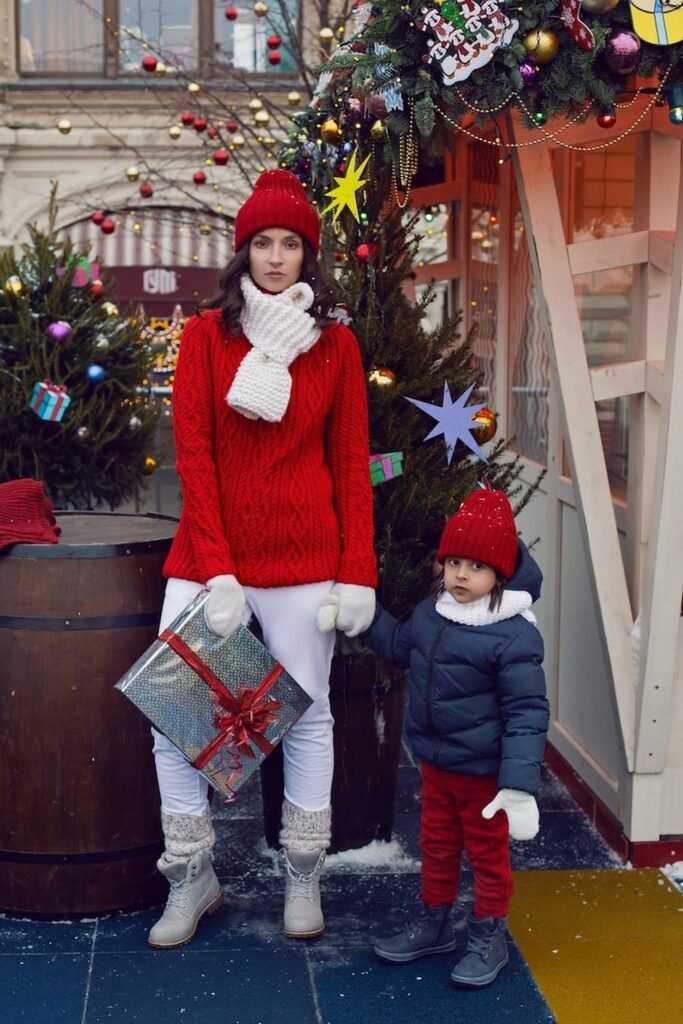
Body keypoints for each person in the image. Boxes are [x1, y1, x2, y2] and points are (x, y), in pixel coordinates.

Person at [148, 169, 377, 949]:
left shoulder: (336, 345)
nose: (275, 257)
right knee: (178, 721)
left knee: (306, 717)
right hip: (208, 557)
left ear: (307, 257)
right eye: (262, 243)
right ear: (242, 251)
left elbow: (350, 462)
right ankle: (191, 876)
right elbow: (195, 458)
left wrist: (358, 572)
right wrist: (216, 569)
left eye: (290, 244)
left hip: (305, 558)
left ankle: (302, 873)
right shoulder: (205, 337)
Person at [320, 487, 548, 988]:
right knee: (438, 846)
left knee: (488, 856)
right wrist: (365, 615)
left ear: (500, 574)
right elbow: (399, 646)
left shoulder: (512, 634)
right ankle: (435, 920)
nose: (462, 574)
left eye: (476, 566)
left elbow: (527, 711)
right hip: (437, 766)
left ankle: (489, 932)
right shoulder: (432, 613)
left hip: (486, 777)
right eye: (454, 562)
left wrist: (519, 785)